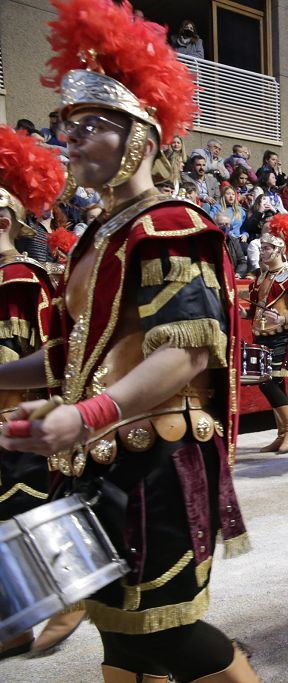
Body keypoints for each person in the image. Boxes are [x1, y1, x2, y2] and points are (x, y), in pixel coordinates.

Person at [0, 2, 255, 677]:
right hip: (102, 458)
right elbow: (69, 356)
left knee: (166, 632)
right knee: (118, 629)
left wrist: (85, 414)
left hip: (158, 460)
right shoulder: (94, 240)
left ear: (140, 137)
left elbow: (188, 351)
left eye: (90, 125)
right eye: (65, 125)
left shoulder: (171, 225)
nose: (70, 139)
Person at [0, 126, 89, 657]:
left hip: (17, 424)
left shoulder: (19, 277)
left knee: (26, 513)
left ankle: (69, 596)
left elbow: (48, 360)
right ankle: (13, 624)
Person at [243, 214, 288, 454]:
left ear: (280, 248)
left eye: (268, 247)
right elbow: (252, 312)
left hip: (284, 335)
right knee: (269, 383)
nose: (263, 251)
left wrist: (283, 318)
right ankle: (283, 432)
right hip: (261, 336)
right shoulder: (259, 279)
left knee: (269, 381)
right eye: (262, 247)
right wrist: (239, 312)